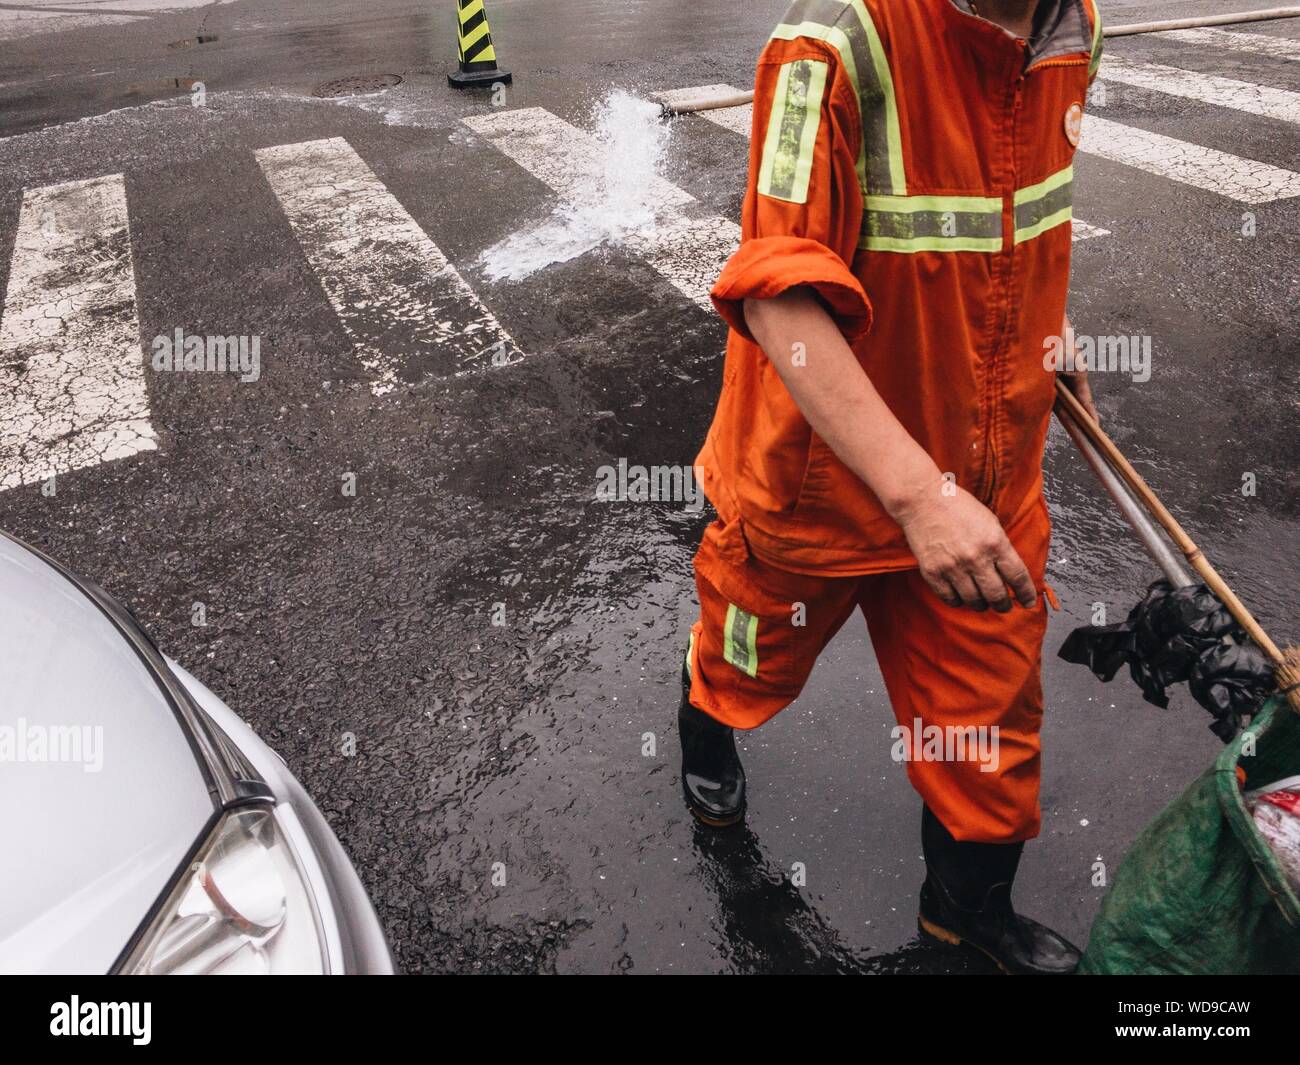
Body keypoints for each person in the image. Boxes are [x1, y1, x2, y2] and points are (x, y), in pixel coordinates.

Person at [679, 0, 1103, 974]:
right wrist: (915, 496)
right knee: (744, 666)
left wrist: (1051, 325)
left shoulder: (1069, 30)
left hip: (985, 479)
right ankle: (705, 752)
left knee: (987, 743)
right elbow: (777, 293)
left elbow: (1018, 215)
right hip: (812, 487)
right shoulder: (830, 40)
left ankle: (967, 925)